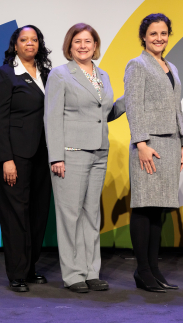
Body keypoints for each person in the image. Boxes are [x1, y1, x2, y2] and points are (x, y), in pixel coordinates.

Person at [44, 23, 126, 293]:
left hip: (99, 151)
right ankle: (73, 274)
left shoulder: (102, 74)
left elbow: (104, 113)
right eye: (77, 41)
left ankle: (92, 271)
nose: (83, 45)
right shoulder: (60, 74)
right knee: (70, 216)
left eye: (88, 41)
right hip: (71, 153)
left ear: (95, 45)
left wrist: (130, 99)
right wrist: (56, 156)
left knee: (91, 215)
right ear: (70, 45)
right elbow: (52, 118)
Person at [124, 13, 183, 293]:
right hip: (149, 145)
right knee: (144, 207)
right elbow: (134, 106)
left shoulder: (171, 66)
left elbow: (176, 108)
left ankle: (154, 269)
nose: (159, 38)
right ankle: (142, 271)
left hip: (171, 144)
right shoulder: (137, 65)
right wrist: (141, 144)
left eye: (163, 33)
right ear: (144, 37)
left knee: (158, 211)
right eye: (153, 34)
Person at [0, 25, 52, 292]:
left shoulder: (48, 75)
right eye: (24, 39)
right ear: (15, 45)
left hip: (42, 154)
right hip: (14, 155)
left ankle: (30, 267)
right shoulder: (4, 74)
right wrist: (6, 160)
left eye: (34, 40)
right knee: (15, 214)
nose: (29, 43)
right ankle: (16, 272)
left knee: (38, 213)